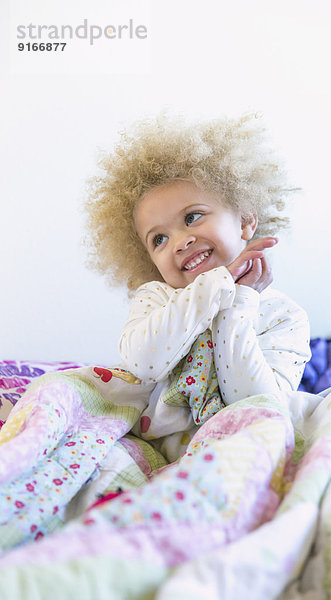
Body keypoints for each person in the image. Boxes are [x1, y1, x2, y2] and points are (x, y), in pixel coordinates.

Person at [85, 113, 311, 461]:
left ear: (246, 220)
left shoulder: (284, 316)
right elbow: (143, 363)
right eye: (158, 239)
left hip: (243, 452)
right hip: (158, 453)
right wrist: (216, 284)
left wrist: (239, 302)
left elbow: (257, 405)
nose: (179, 241)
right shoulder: (157, 298)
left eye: (192, 217)